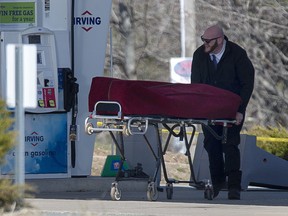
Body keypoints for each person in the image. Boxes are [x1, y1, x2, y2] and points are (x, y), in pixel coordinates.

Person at [191, 24, 254, 200]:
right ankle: (218, 183)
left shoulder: (237, 54)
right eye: (203, 40)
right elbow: (195, 85)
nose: (204, 44)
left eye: (207, 41)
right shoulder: (200, 55)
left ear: (219, 40)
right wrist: (197, 109)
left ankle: (234, 186)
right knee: (212, 145)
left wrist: (240, 110)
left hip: (232, 109)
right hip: (208, 109)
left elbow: (247, 83)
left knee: (230, 144)